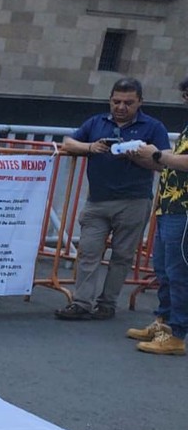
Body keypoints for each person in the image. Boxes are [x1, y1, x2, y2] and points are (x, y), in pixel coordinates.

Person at [54, 77, 169, 321]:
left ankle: (107, 304)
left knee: (122, 256)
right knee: (88, 252)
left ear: (140, 103)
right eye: (116, 101)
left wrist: (134, 155)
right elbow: (68, 142)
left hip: (134, 201)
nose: (121, 107)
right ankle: (82, 302)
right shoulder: (96, 122)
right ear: (110, 100)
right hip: (97, 201)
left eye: (128, 102)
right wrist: (90, 148)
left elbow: (162, 163)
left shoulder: (153, 127)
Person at [123, 77, 188, 355]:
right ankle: (164, 322)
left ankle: (177, 333)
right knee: (163, 268)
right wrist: (143, 156)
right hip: (169, 205)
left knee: (178, 271)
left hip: (183, 209)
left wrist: (158, 154)